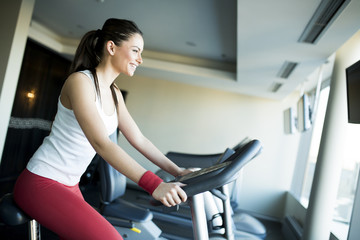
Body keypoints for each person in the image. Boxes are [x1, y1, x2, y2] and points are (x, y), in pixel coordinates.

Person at [13, 18, 191, 240]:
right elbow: (101, 143)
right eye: (135, 50)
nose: (140, 59)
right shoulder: (80, 82)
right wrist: (154, 184)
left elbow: (139, 139)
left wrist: (177, 171)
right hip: (41, 181)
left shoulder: (114, 93)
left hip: (70, 184)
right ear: (111, 47)